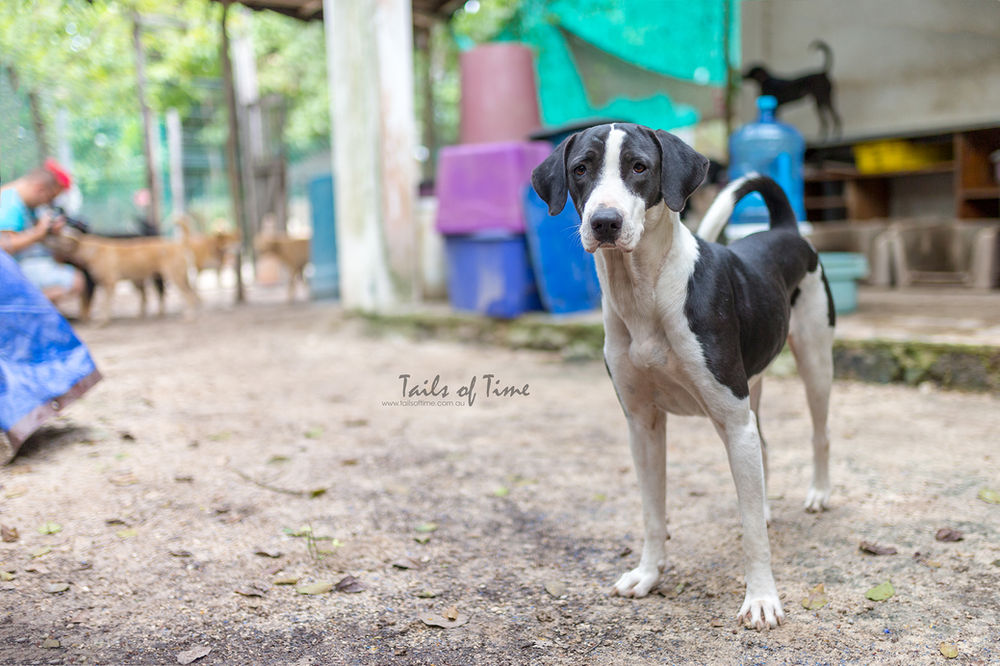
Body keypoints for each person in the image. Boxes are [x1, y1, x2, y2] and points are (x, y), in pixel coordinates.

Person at [0, 160, 83, 302]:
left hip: (17, 268)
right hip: (9, 273)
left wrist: (48, 231)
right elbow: (3, 245)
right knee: (75, 280)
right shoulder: (9, 204)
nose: (47, 203)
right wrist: (38, 233)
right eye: (50, 198)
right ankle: (19, 307)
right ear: (39, 189)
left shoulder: (22, 202)